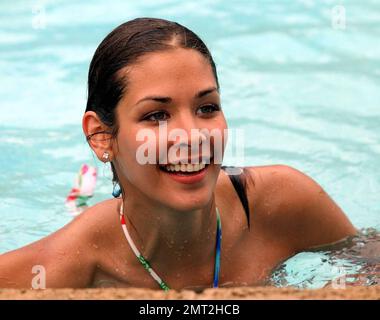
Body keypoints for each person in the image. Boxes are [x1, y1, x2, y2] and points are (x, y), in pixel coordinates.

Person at [0, 17, 356, 290]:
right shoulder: (62, 267)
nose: (193, 136)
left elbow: (367, 263)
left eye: (207, 108)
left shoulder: (282, 203)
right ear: (102, 137)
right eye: (156, 115)